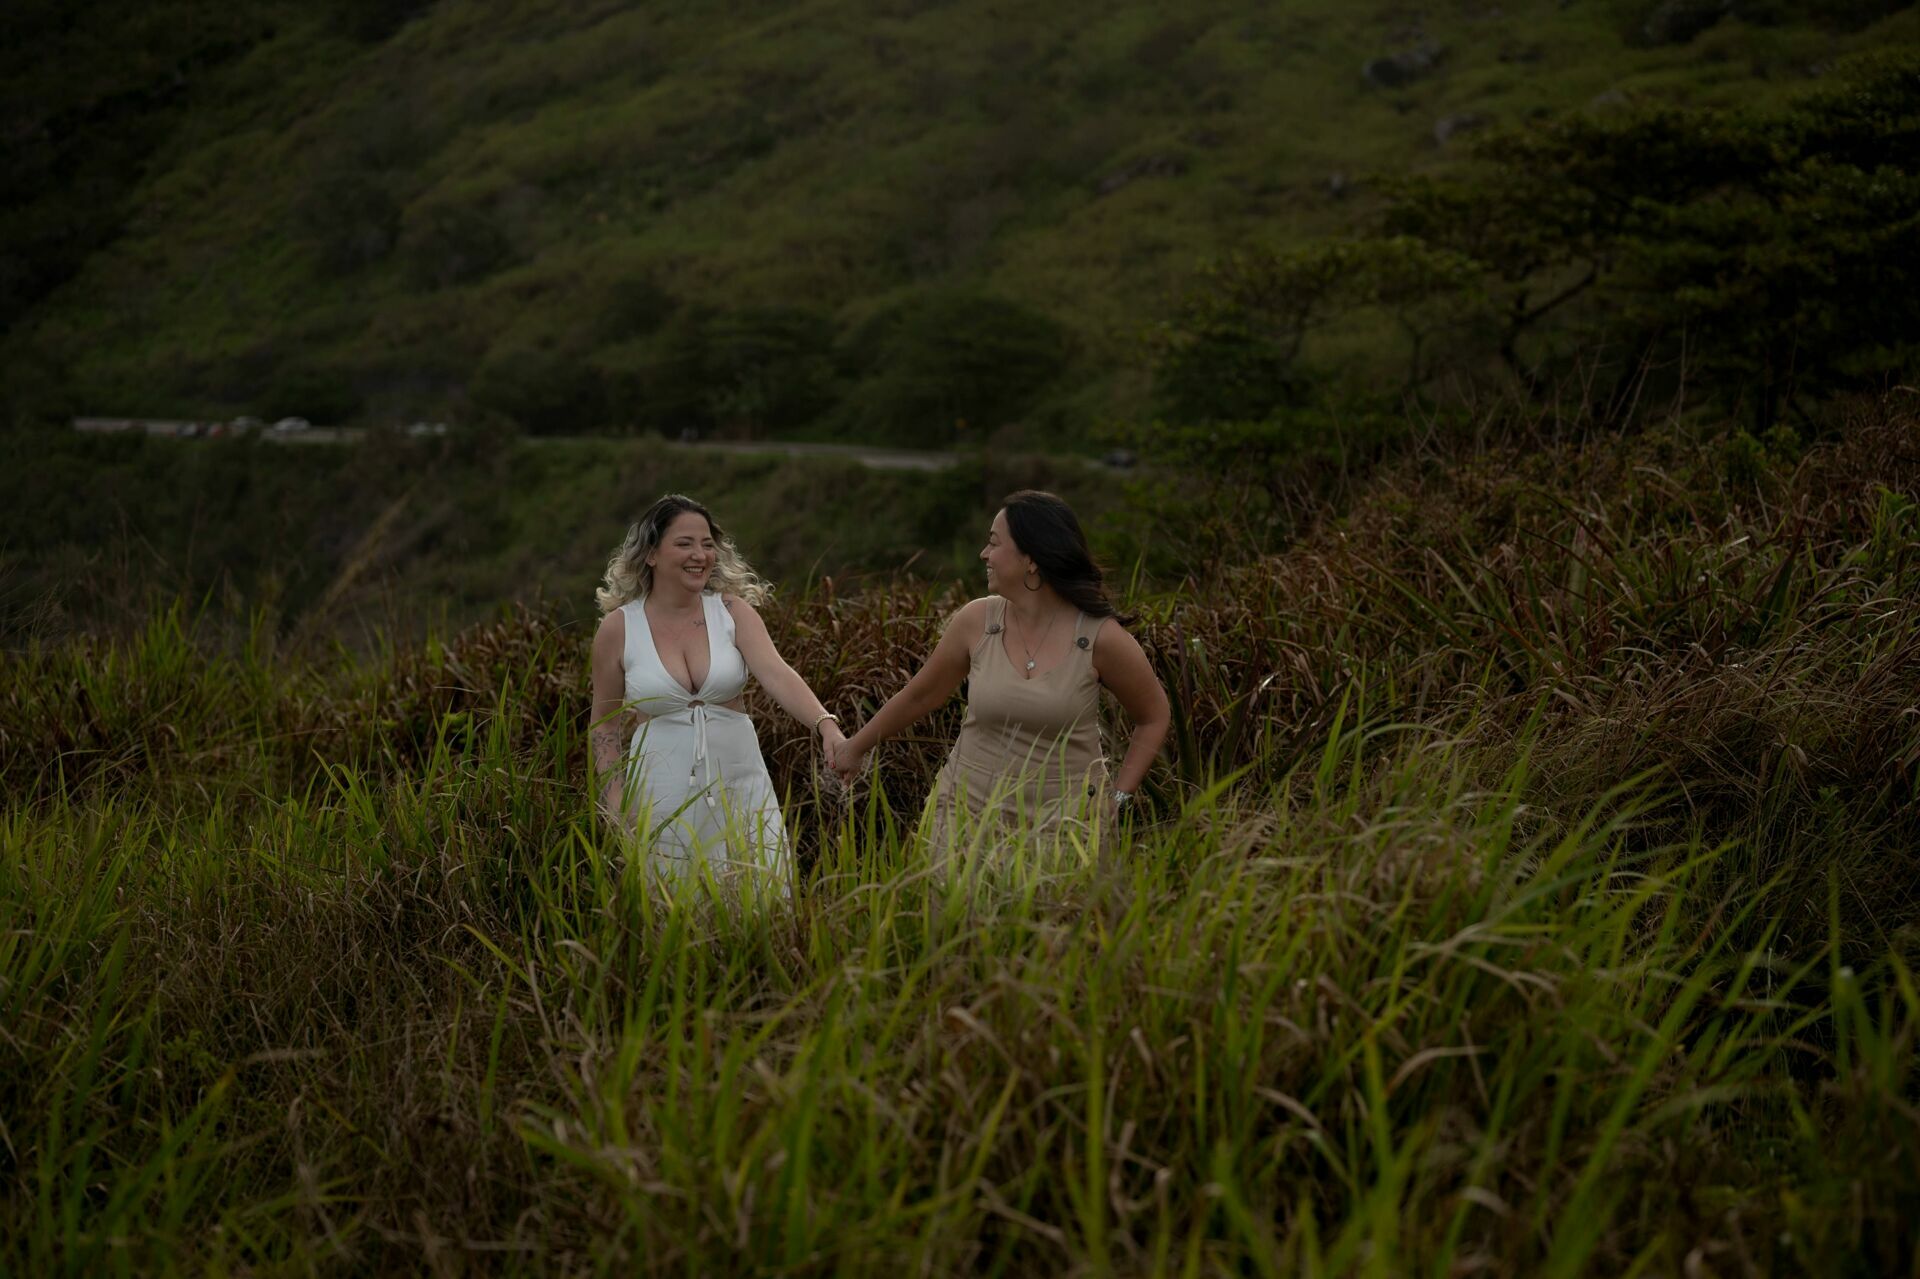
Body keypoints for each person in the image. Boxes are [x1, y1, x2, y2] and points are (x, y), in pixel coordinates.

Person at [830, 490, 1170, 866]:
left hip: (1065, 826)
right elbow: (920, 696)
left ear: (1031, 559)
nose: (984, 554)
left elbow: (1153, 716)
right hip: (964, 815)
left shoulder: (1101, 638)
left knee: (1056, 924)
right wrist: (855, 747)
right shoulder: (977, 621)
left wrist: (1118, 798)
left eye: (994, 543)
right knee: (953, 922)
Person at [589, 494, 844, 886]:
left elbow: (777, 674)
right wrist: (617, 807)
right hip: (661, 797)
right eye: (685, 543)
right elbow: (604, 729)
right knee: (674, 915)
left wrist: (825, 724)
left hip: (741, 787)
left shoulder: (732, 612)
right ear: (652, 554)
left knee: (761, 900)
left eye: (708, 544)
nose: (700, 555)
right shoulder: (618, 629)